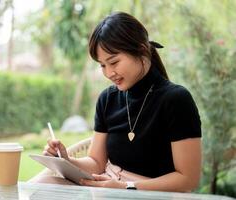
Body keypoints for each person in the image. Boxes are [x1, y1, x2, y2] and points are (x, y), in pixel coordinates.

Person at [37, 12, 202, 192]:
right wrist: (66, 160)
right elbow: (96, 163)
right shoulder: (107, 99)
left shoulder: (176, 100)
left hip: (150, 194)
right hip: (108, 187)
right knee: (41, 185)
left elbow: (187, 180)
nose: (108, 73)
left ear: (141, 50)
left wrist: (126, 187)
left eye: (114, 62)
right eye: (102, 65)